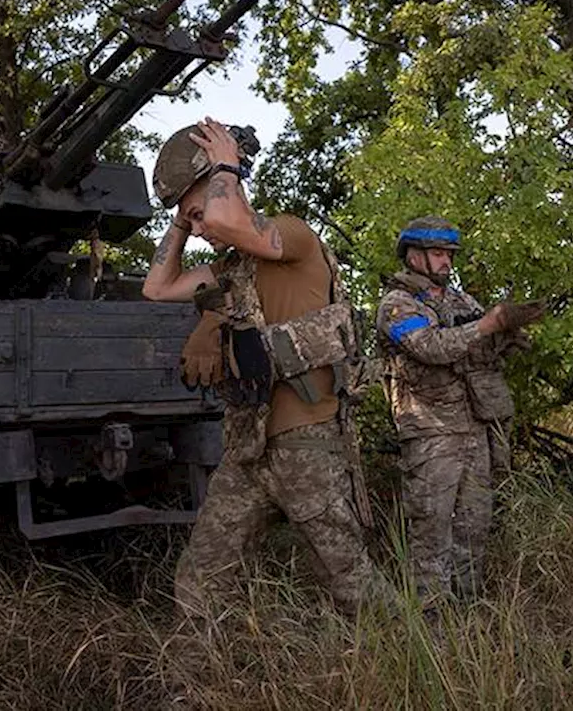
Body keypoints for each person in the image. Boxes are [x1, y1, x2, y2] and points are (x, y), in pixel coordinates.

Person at [143, 118, 396, 617]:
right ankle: (191, 689)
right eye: (190, 222)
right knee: (201, 579)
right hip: (249, 452)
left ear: (226, 184)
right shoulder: (231, 269)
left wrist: (223, 168)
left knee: (353, 585)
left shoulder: (291, 235)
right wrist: (178, 216)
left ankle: (413, 669)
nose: (198, 229)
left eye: (197, 214)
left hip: (309, 448)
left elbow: (223, 221)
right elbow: (156, 288)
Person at [374, 215, 543, 605]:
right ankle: (431, 623)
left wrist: (507, 336)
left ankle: (468, 618)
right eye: (438, 253)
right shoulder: (396, 304)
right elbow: (430, 347)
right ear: (413, 256)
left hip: (474, 426)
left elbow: (475, 348)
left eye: (450, 254)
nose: (447, 261)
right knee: (432, 531)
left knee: (475, 526)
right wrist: (487, 325)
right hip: (431, 433)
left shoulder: (461, 301)